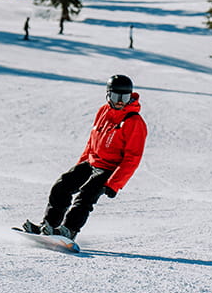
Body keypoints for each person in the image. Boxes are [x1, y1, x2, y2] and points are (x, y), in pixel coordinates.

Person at [22, 74, 147, 239]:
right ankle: (49, 225)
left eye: (124, 97)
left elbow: (133, 157)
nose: (120, 101)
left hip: (109, 168)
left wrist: (115, 184)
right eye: (116, 96)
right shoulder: (103, 111)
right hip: (92, 163)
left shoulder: (134, 121)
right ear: (108, 95)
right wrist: (79, 167)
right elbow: (92, 142)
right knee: (62, 185)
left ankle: (69, 231)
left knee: (86, 195)